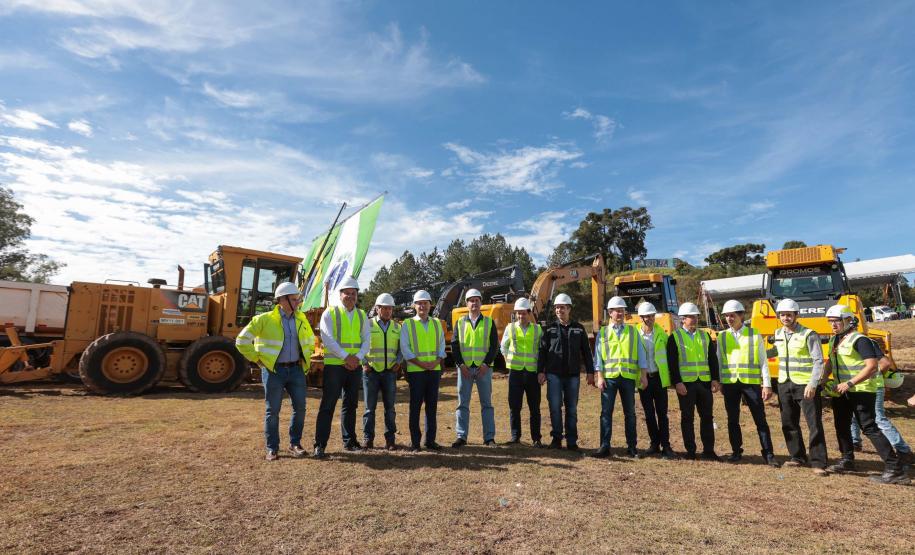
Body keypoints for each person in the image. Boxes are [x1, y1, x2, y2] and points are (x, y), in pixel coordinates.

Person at [823, 305, 909, 484]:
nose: (833, 325)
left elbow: (871, 366)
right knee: (841, 425)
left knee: (869, 427)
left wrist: (850, 383)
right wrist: (823, 378)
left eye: (836, 321)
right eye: (830, 321)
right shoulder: (834, 340)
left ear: (848, 320)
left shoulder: (860, 340)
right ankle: (847, 460)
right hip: (841, 392)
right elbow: (831, 362)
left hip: (861, 390)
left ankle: (895, 468)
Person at [235, 282, 316, 461]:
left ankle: (295, 444)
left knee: (300, 408)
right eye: (294, 299)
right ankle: (272, 448)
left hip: (296, 370)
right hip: (274, 372)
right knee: (273, 411)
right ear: (282, 300)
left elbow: (310, 340)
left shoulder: (301, 318)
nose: (298, 303)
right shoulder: (263, 319)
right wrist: (257, 359)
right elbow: (241, 341)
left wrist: (307, 357)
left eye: (298, 299)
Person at [313, 276, 371, 458]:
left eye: (354, 293)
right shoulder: (330, 313)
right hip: (335, 367)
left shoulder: (362, 315)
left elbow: (367, 341)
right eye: (347, 293)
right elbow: (327, 339)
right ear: (341, 294)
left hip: (354, 368)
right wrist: (347, 357)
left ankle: (350, 441)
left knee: (351, 405)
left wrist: (357, 358)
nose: (351, 296)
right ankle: (320, 445)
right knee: (328, 405)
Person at [717, 300, 779, 467]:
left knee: (760, 420)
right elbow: (719, 361)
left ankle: (769, 454)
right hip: (730, 384)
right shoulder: (722, 336)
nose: (729, 318)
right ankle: (736, 452)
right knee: (732, 420)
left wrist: (767, 384)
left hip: (751, 384)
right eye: (727, 316)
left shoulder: (754, 334)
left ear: (741, 315)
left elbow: (763, 361)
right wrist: (720, 382)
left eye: (732, 315)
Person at [770, 298, 828, 476]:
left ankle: (818, 461)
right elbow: (776, 352)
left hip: (805, 384)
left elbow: (818, 360)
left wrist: (813, 383)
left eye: (789, 314)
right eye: (782, 315)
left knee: (814, 424)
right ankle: (797, 456)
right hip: (784, 383)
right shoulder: (778, 333)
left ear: (796, 315)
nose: (785, 318)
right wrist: (758, 354)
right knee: (788, 422)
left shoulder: (808, 334)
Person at [590, 296, 648, 459]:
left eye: (622, 310)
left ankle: (632, 447)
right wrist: (599, 377)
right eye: (617, 310)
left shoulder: (633, 331)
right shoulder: (603, 333)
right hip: (609, 378)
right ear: (610, 312)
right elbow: (598, 358)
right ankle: (604, 446)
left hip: (628, 378)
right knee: (606, 413)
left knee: (630, 413)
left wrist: (643, 375)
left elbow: (641, 355)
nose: (621, 313)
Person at [538, 293, 595, 452]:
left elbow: (587, 352)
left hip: (572, 376)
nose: (559, 310)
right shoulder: (549, 328)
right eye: (557, 308)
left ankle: (571, 441)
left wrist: (590, 372)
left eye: (562, 307)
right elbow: (542, 351)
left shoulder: (579, 328)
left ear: (569, 309)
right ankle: (556, 439)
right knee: (555, 407)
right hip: (554, 375)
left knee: (571, 408)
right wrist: (540, 371)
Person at [668, 302, 720, 461]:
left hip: (704, 383)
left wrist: (715, 379)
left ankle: (709, 451)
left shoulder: (705, 336)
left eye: (696, 316)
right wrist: (677, 382)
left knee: (707, 417)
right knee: (687, 417)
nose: (695, 319)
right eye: (691, 316)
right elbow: (672, 363)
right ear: (683, 319)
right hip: (686, 385)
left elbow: (712, 359)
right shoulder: (675, 337)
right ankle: (690, 451)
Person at [849, 344, 912, 466]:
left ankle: (904, 451)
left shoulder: (865, 342)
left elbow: (885, 363)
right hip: (857, 387)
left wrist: (870, 377)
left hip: (873, 387)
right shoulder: (846, 341)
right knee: (854, 415)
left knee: (879, 418)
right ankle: (855, 442)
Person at [451, 288, 500, 447]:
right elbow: (455, 345)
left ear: (481, 303)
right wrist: (460, 365)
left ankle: (489, 438)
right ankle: (461, 436)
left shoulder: (488, 322)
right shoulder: (459, 322)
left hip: (483, 369)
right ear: (467, 303)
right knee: (462, 404)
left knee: (487, 404)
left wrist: (486, 364)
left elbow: (494, 346)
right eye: (471, 300)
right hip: (464, 369)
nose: (474, 303)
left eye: (477, 300)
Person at [400, 290, 446, 452]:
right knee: (415, 407)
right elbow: (405, 349)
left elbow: (441, 345)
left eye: (425, 303)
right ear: (414, 305)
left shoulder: (436, 323)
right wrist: (422, 364)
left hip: (434, 370)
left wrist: (436, 361)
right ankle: (415, 442)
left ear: (430, 305)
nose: (422, 306)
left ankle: (430, 440)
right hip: (416, 371)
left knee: (431, 406)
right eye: (419, 303)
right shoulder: (408, 324)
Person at [634, 302, 675, 459]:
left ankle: (666, 446)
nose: (650, 318)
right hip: (644, 379)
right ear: (641, 317)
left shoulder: (662, 335)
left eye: (652, 316)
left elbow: (669, 359)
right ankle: (654, 444)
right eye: (646, 316)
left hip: (659, 378)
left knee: (662, 414)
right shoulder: (635, 335)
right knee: (649, 414)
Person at [362, 292, 402, 450]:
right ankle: (368, 439)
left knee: (390, 409)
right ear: (377, 309)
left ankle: (390, 440)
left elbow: (402, 348)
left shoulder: (397, 327)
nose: (387, 311)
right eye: (383, 308)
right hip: (371, 372)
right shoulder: (368, 325)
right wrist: (364, 363)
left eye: (389, 309)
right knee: (369, 409)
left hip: (389, 373)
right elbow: (360, 345)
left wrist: (398, 362)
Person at [501, 297, 544, 446]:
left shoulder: (538, 329)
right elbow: (503, 347)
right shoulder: (510, 328)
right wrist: (508, 361)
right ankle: (515, 436)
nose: (521, 316)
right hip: (516, 373)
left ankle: (536, 438)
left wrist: (541, 371)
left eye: (523, 313)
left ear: (529, 313)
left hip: (532, 373)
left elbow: (542, 350)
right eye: (518, 313)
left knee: (534, 407)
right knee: (514, 406)